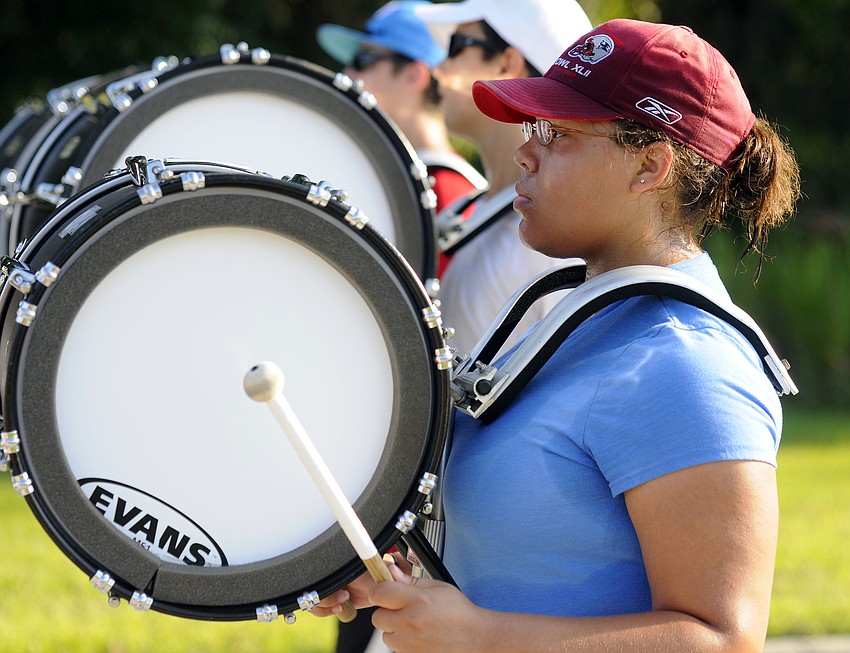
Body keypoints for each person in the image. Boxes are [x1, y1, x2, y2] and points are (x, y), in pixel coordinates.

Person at [314, 18, 801, 653]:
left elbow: (722, 638)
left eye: (556, 133)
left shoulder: (684, 362)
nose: (525, 149)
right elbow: (529, 560)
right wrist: (392, 568)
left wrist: (484, 636)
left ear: (650, 165)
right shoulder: (575, 319)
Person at [411, 0, 593, 356]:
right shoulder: (477, 210)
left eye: (456, 47)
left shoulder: (556, 241)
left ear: (508, 62)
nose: (438, 68)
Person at [317, 1, 487, 279]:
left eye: (364, 60)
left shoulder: (449, 194)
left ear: (414, 74)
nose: (348, 74)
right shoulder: (423, 182)